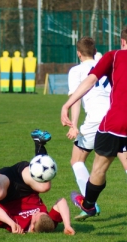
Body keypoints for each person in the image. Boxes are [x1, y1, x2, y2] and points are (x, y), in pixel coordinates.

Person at [61, 26, 127, 217]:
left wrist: (67, 104)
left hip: (115, 124)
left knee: (99, 168)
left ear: (122, 41)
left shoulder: (113, 56)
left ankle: (89, 203)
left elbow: (89, 82)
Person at [0, 129, 75, 235]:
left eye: (38, 214)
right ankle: (39, 143)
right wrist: (67, 225)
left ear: (33, 225)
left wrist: (11, 223)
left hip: (7, 187)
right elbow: (62, 201)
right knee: (45, 187)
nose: (39, 211)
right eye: (43, 213)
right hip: (25, 182)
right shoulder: (49, 223)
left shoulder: (19, 226)